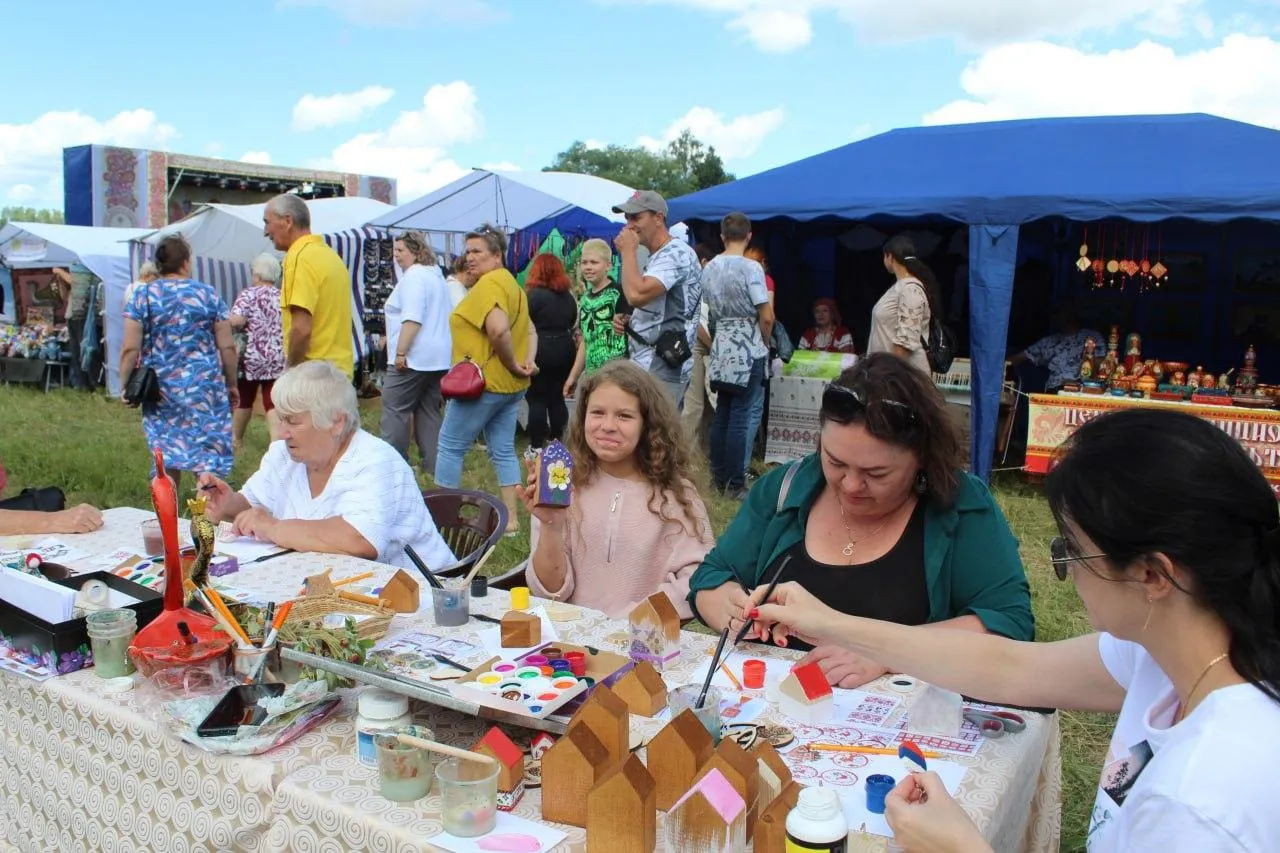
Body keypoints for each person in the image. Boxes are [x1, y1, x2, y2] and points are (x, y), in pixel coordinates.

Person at [748, 408, 1280, 852]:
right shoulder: (1178, 655)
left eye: (1072, 549)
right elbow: (1009, 668)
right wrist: (832, 623)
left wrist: (963, 846)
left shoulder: (1199, 802)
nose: (1068, 569)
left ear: (1153, 575)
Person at [689, 352, 1033, 687]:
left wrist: (887, 652)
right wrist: (731, 609)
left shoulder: (961, 507)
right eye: (835, 462)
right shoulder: (784, 490)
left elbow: (1008, 624)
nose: (851, 485)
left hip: (897, 735)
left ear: (923, 459)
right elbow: (711, 577)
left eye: (877, 473)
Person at [197, 361, 455, 571]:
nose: (282, 432)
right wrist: (228, 504)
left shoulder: (375, 460)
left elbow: (360, 539)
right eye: (281, 419)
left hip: (425, 596)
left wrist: (274, 527)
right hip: (340, 591)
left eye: (293, 422)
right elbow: (255, 508)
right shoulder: (284, 454)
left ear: (337, 422)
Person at [522, 360, 713, 618]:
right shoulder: (563, 487)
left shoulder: (677, 496)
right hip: (571, 644)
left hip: (645, 644)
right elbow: (550, 592)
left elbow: (700, 579)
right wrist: (551, 526)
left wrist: (636, 617)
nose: (608, 425)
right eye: (598, 413)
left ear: (648, 424)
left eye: (624, 416)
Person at [435, 224, 536, 535]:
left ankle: (441, 517)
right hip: (509, 388)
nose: (470, 258)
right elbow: (530, 330)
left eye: (477, 251)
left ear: (497, 255)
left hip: (482, 385)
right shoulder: (513, 285)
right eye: (467, 252)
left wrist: (513, 363)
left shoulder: (489, 285)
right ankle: (513, 521)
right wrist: (526, 363)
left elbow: (498, 330)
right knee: (503, 450)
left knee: (450, 446)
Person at [119, 235, 238, 486]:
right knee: (206, 461)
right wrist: (231, 382)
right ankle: (204, 521)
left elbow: (130, 348)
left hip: (161, 391)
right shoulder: (208, 294)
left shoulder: (143, 296)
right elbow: (227, 345)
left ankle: (167, 523)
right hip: (205, 388)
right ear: (185, 262)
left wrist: (125, 385)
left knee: (166, 459)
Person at [703, 213, 774, 498]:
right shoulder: (752, 268)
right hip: (748, 344)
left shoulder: (709, 268)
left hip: (721, 343)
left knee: (723, 413)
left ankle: (717, 477)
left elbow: (706, 309)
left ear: (722, 236)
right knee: (741, 416)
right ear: (749, 235)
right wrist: (765, 343)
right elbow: (765, 315)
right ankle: (734, 483)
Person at [611, 190, 701, 406]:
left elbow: (636, 294)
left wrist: (628, 252)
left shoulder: (675, 254)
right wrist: (631, 320)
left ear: (658, 218)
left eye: (636, 217)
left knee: (656, 437)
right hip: (650, 362)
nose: (629, 225)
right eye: (627, 218)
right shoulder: (659, 255)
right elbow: (653, 302)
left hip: (662, 366)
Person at [381, 231, 452, 476]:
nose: (396, 255)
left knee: (395, 410)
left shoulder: (414, 277)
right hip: (438, 357)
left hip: (414, 357)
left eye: (400, 250)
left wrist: (400, 352)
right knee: (429, 412)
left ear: (415, 251)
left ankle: (393, 466)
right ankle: (435, 467)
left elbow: (412, 318)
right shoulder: (437, 276)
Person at [263, 194, 355, 379]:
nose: (265, 231)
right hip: (340, 374)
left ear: (287, 221)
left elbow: (301, 329)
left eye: (267, 222)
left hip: (313, 378)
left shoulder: (298, 256)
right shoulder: (330, 256)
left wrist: (290, 372)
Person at [230, 253, 286, 449]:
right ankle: (276, 443)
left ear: (257, 275)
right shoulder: (282, 296)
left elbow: (237, 321)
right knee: (272, 400)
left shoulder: (248, 294)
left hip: (251, 356)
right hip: (277, 356)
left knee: (244, 398)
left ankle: (236, 440)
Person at [524, 253, 578, 451]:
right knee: (557, 396)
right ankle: (559, 440)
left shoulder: (532, 296)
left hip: (539, 347)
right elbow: (573, 322)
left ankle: (537, 444)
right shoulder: (568, 297)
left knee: (537, 398)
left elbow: (525, 325)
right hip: (565, 348)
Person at [564, 239, 630, 397]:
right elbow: (586, 341)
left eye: (594, 262)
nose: (588, 267)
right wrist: (573, 376)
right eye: (584, 262)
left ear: (608, 265)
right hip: (591, 377)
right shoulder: (585, 299)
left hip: (618, 376)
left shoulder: (620, 294)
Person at [867, 235, 939, 375]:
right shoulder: (899, 287)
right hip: (884, 372)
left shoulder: (910, 289)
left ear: (890, 257)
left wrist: (887, 374)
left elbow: (906, 341)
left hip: (902, 378)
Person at [1008, 301, 1105, 392]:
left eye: (1059, 312)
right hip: (1056, 390)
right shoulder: (1048, 342)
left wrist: (1087, 360)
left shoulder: (1092, 337)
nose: (1055, 317)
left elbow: (1102, 366)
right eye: (1055, 313)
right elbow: (1017, 358)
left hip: (1084, 391)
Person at [680, 243, 718, 458]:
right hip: (696, 345)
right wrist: (713, 346)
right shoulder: (693, 284)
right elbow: (697, 325)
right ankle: (683, 459)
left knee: (708, 408)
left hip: (705, 346)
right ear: (703, 262)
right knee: (693, 407)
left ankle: (701, 458)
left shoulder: (707, 285)